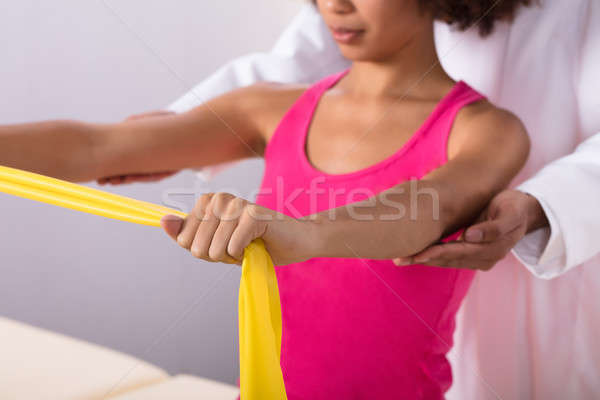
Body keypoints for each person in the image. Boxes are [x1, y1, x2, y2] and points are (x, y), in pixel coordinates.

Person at [1, 0, 532, 398]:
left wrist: (299, 234)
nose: (335, 4)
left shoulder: (486, 130)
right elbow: (98, 146)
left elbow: (428, 209)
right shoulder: (268, 108)